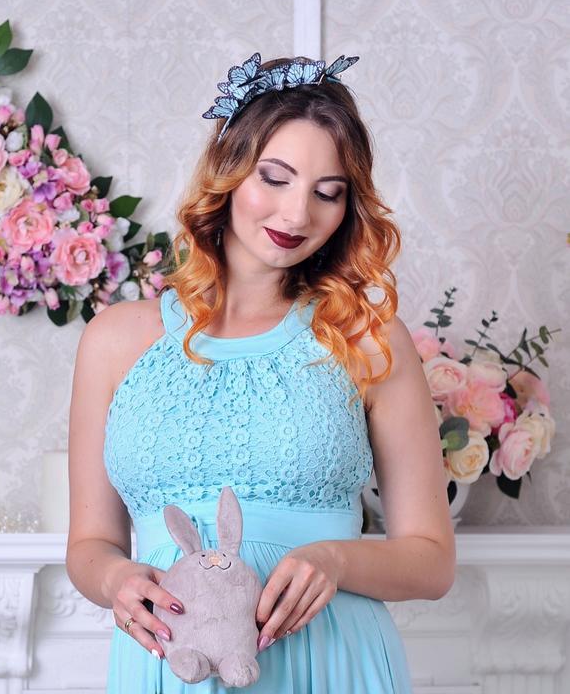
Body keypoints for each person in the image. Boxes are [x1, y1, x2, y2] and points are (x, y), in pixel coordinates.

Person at [65, 51, 456, 693]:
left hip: (330, 661)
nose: (298, 215)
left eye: (327, 193)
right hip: (169, 668)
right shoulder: (114, 340)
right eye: (275, 178)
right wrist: (115, 580)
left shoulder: (368, 340)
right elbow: (89, 546)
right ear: (228, 170)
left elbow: (433, 562)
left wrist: (335, 559)